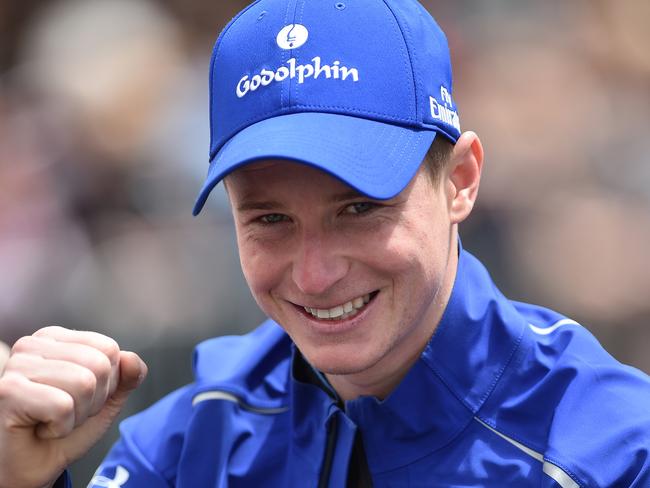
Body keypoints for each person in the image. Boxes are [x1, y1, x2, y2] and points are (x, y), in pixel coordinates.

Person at [1, 0, 649, 487]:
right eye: (270, 220)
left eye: (360, 208)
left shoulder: (614, 450)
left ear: (460, 180)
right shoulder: (192, 440)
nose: (313, 275)